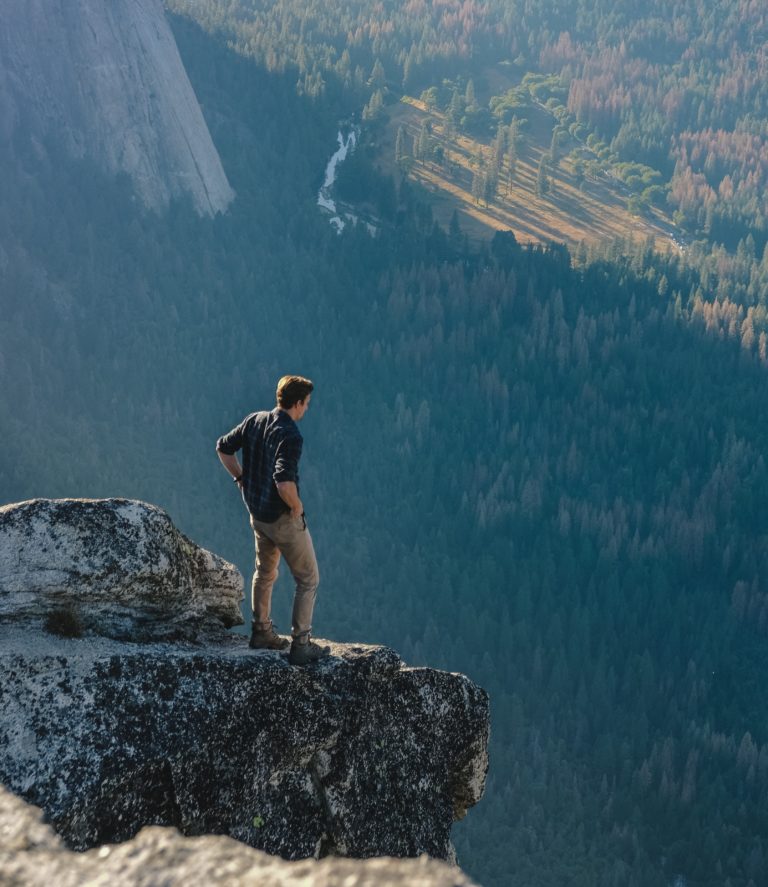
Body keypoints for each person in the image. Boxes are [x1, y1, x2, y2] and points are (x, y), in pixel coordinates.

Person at [216, 375, 330, 665]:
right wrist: (297, 506)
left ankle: (261, 630)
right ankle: (301, 645)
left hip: (257, 514)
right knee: (308, 579)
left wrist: (240, 476)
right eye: (306, 404)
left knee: (265, 571)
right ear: (297, 403)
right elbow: (283, 482)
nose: (306, 409)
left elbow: (223, 447)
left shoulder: (255, 420)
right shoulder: (290, 435)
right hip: (281, 518)